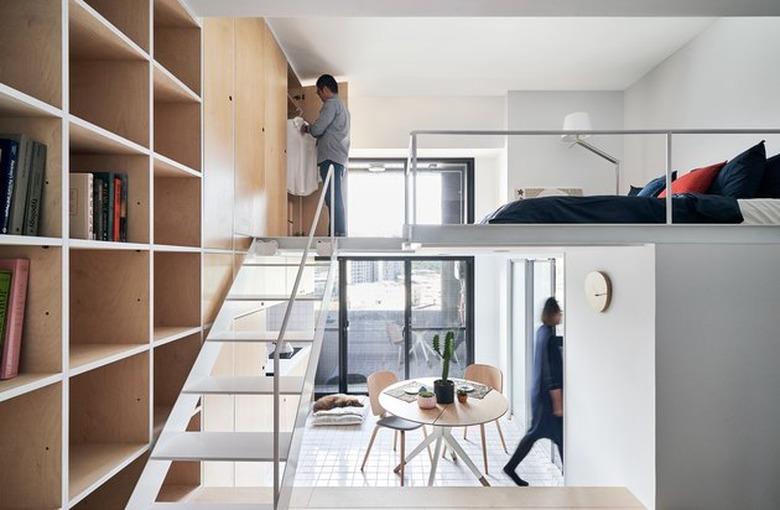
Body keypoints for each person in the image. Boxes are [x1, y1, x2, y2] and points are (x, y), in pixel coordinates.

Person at [503, 297, 564, 486]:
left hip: (539, 394)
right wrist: (557, 402)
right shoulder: (549, 339)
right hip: (547, 399)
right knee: (547, 436)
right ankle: (510, 467)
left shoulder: (542, 333)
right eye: (559, 312)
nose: (560, 315)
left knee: (545, 435)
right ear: (553, 314)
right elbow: (550, 373)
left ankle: (511, 468)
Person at [301, 74, 350, 236]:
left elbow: (317, 129)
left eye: (319, 92)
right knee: (334, 196)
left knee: (332, 197)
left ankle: (337, 233)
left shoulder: (331, 104)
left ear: (326, 89)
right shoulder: (342, 107)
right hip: (338, 157)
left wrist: (308, 128)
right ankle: (337, 232)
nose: (320, 97)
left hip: (330, 156)